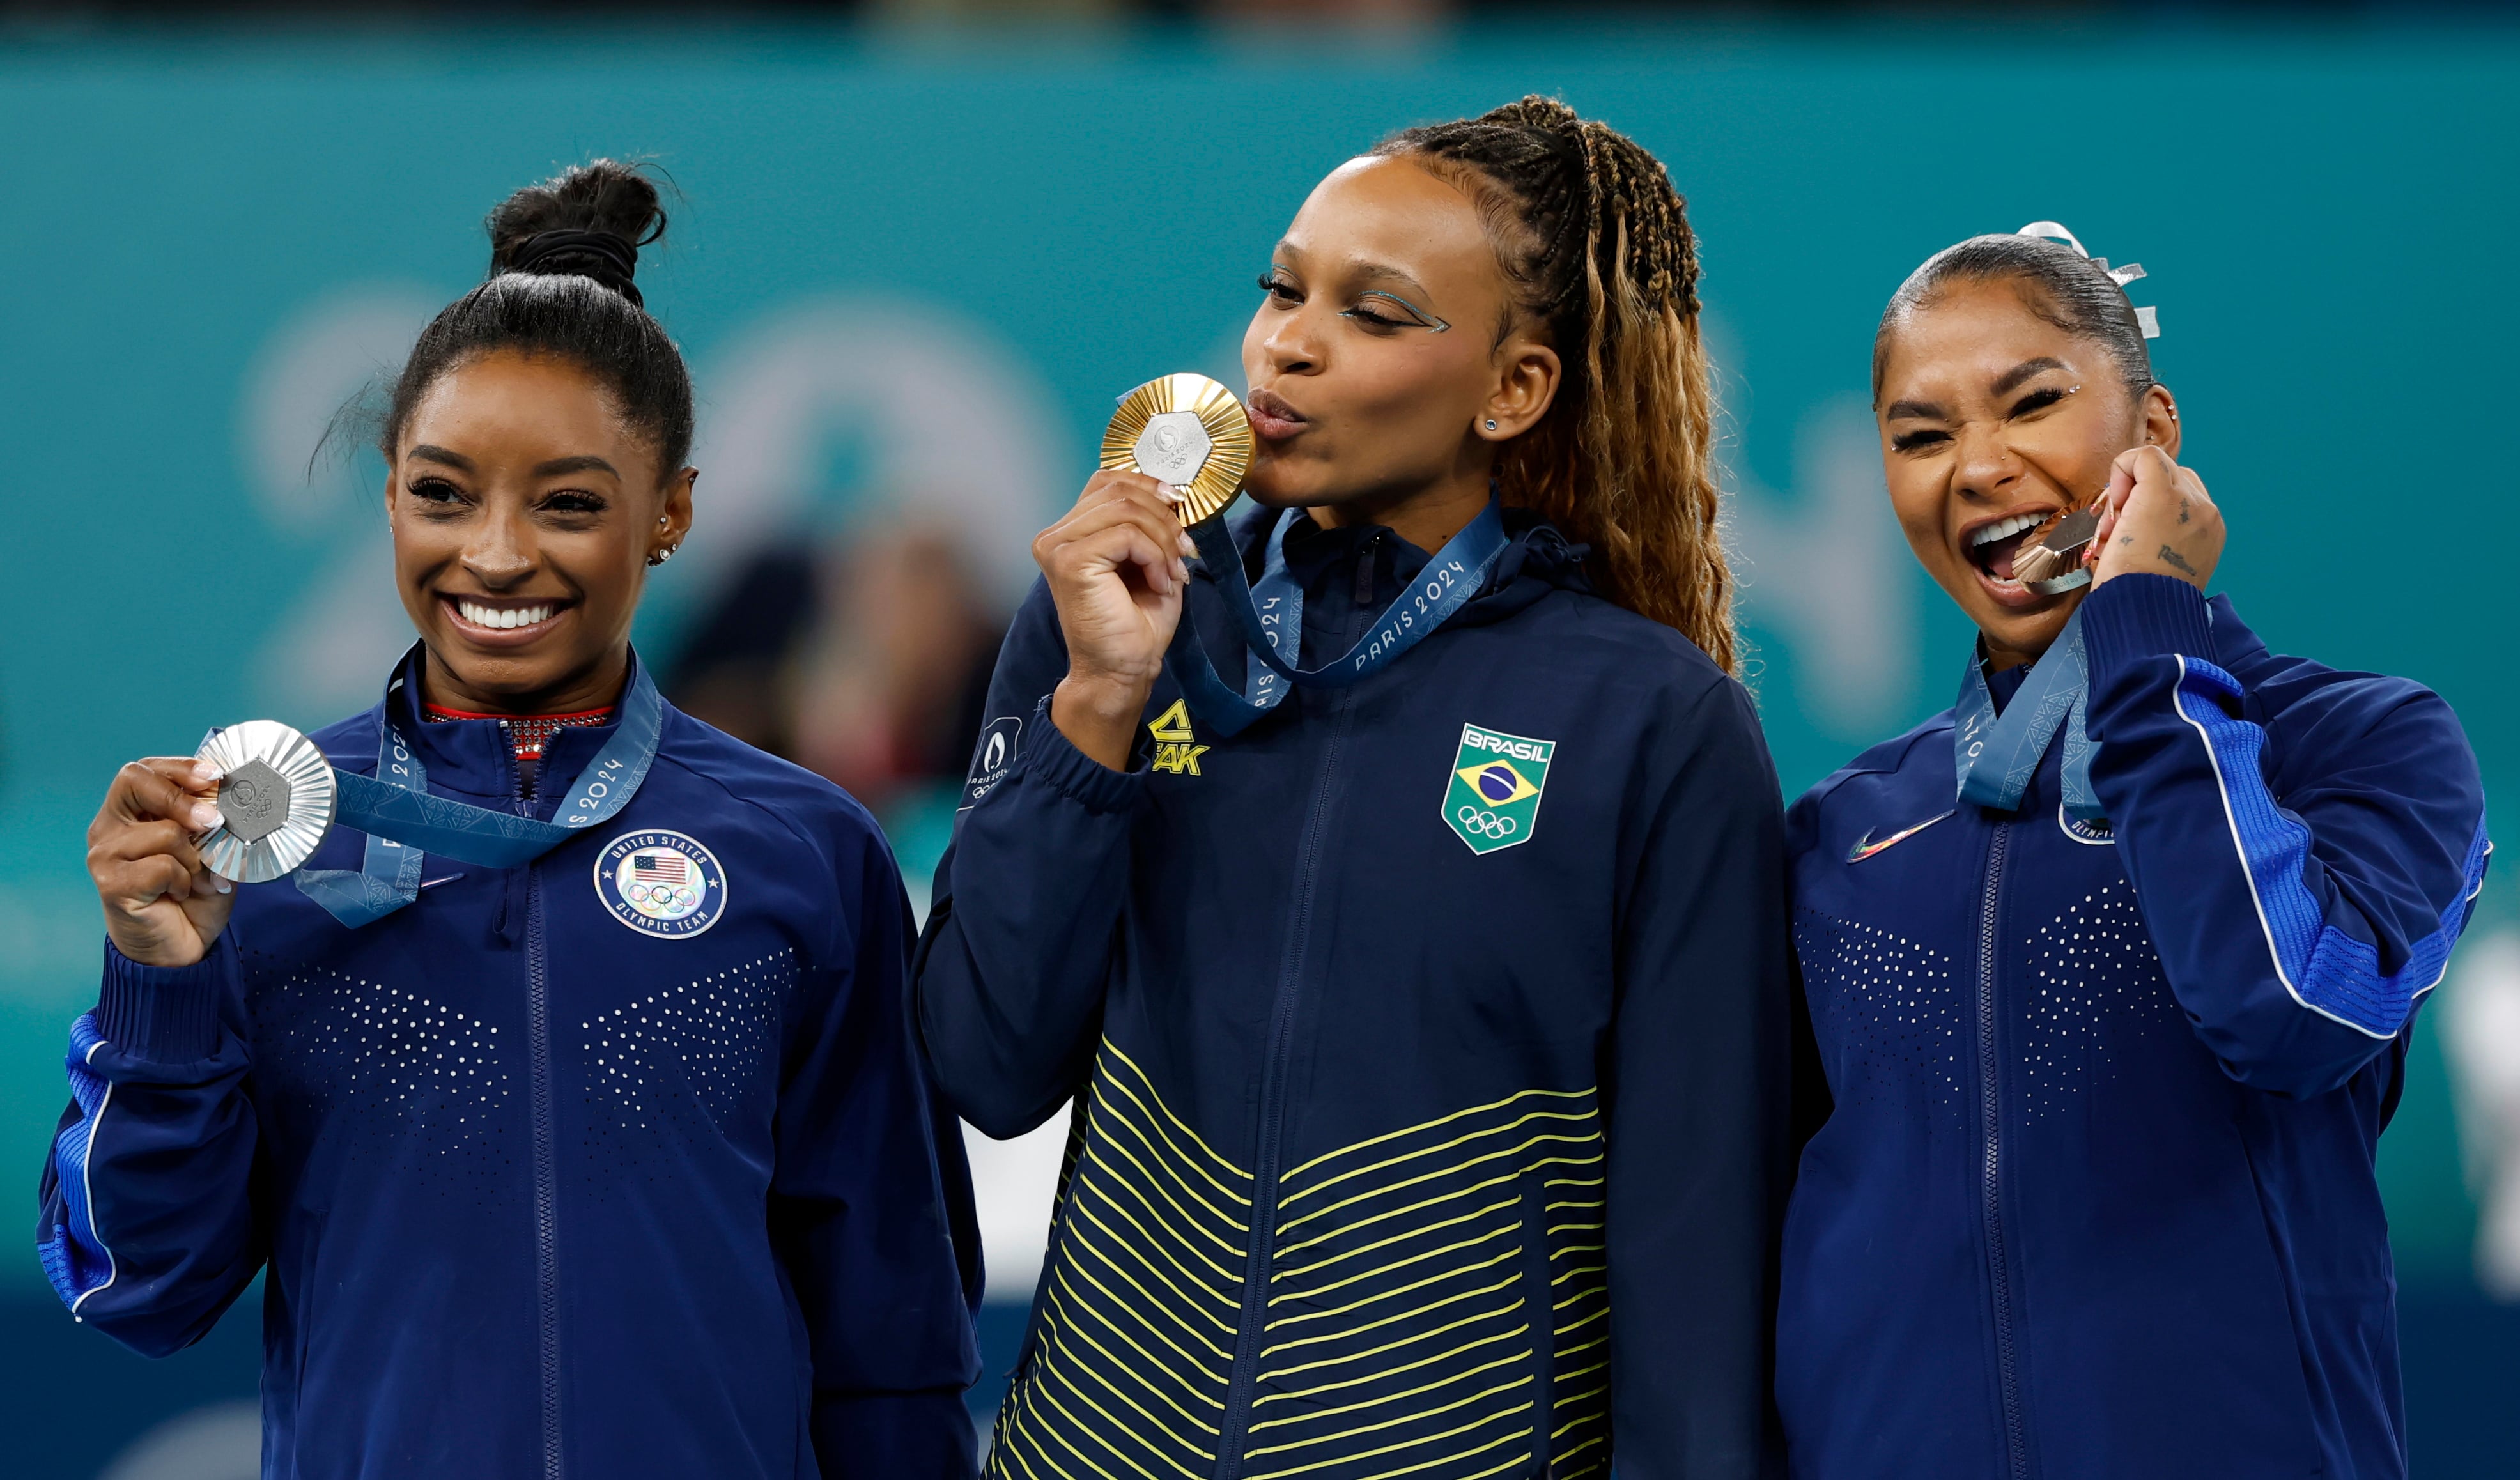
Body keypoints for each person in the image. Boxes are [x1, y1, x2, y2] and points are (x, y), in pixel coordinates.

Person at [40, 162, 982, 1479]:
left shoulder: (805, 851)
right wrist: (159, 978)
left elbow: (894, 1338)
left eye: (569, 503)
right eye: (442, 493)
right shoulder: (259, 850)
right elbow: (141, 1290)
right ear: (386, 497)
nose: (492, 554)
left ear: (673, 513)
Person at [917, 98, 1793, 1479]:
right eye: (1284, 289)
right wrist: (1093, 711)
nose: (1289, 343)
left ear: (1513, 389)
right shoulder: (1122, 624)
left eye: (1377, 314)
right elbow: (985, 1062)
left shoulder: (1652, 722)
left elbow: (1697, 1252)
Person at [1779, 226, 2491, 1479]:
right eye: (1920, 435)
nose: (1979, 469)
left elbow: (2288, 1013)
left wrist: (2150, 648)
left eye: (2032, 404)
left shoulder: (2357, 745)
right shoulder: (1843, 830)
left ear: (2152, 429)